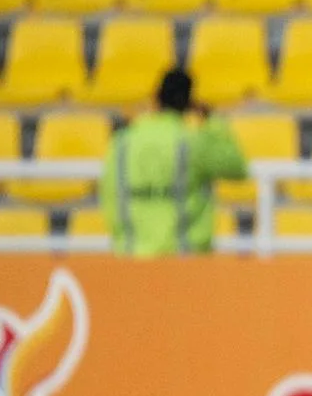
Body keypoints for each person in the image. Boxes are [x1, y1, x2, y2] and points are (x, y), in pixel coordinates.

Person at [97, 70, 249, 257]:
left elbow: (109, 194)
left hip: (132, 258)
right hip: (183, 262)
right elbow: (237, 168)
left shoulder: (122, 142)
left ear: (155, 98)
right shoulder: (194, 141)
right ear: (190, 103)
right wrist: (212, 120)